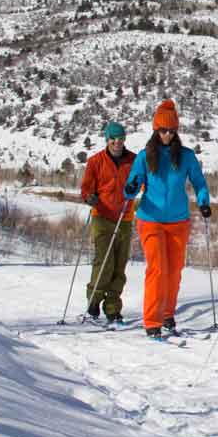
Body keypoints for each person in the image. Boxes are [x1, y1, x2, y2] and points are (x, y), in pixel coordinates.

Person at [122, 100, 211, 338]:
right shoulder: (144, 156)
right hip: (150, 219)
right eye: (163, 130)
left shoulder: (186, 156)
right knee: (158, 269)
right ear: (155, 130)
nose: (167, 134)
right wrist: (131, 187)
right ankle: (152, 320)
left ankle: (167, 314)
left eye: (172, 130)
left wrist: (203, 201)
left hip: (178, 220)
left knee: (174, 270)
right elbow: (130, 188)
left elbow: (200, 183)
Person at [79, 121, 137, 324]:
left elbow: (142, 182)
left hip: (124, 217)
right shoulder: (96, 161)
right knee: (104, 262)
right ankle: (94, 300)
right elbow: (86, 188)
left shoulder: (133, 160)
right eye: (113, 139)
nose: (117, 142)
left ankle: (112, 307)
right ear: (107, 140)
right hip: (102, 216)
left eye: (120, 139)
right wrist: (89, 197)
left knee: (119, 265)